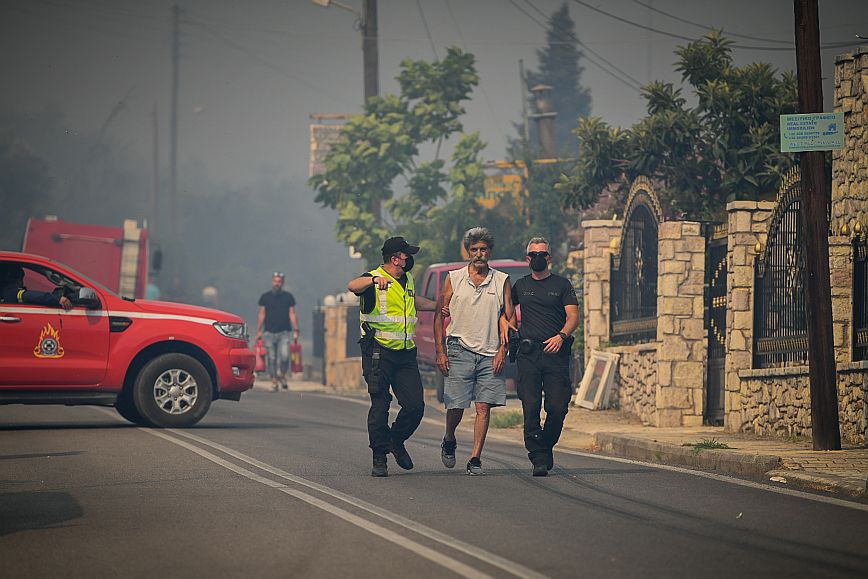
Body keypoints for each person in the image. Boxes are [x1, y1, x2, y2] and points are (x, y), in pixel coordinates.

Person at [347, 236, 437, 477]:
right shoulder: (373, 278)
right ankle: (379, 457)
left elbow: (411, 301)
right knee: (381, 404)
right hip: (378, 352)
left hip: (405, 354)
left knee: (415, 406)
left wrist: (438, 306)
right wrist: (374, 280)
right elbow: (352, 286)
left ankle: (395, 441)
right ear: (395, 258)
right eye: (407, 254)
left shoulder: (407, 279)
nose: (410, 258)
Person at [434, 227, 513, 476]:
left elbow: (510, 318)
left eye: (483, 250)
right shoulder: (454, 278)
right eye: (474, 250)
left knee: (483, 407)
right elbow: (439, 315)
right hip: (459, 348)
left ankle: (475, 457)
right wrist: (441, 351)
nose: (479, 254)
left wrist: (503, 350)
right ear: (468, 252)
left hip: (490, 352)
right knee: (456, 404)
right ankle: (449, 437)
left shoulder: (501, 280)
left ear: (490, 252)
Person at [510, 237, 579, 476]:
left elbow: (573, 317)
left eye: (542, 254)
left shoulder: (562, 284)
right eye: (532, 254)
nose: (537, 258)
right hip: (528, 354)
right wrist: (508, 329)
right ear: (527, 258)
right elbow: (505, 312)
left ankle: (546, 445)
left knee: (558, 407)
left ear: (549, 258)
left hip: (556, 354)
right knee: (530, 407)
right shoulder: (520, 285)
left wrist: (561, 336)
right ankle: (538, 457)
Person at [256, 272, 299, 391]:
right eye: (275, 281)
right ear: (272, 282)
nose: (277, 284)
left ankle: (283, 375)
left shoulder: (288, 297)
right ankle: (274, 380)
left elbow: (292, 313)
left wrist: (296, 328)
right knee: (272, 358)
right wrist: (258, 330)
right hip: (269, 332)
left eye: (279, 282)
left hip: (285, 332)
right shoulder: (265, 297)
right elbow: (261, 314)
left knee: (285, 356)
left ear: (282, 283)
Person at [0, 263, 73, 310]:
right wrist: (57, 299)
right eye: (20, 279)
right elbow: (30, 296)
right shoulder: (11, 292)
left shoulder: (5, 292)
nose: (22, 282)